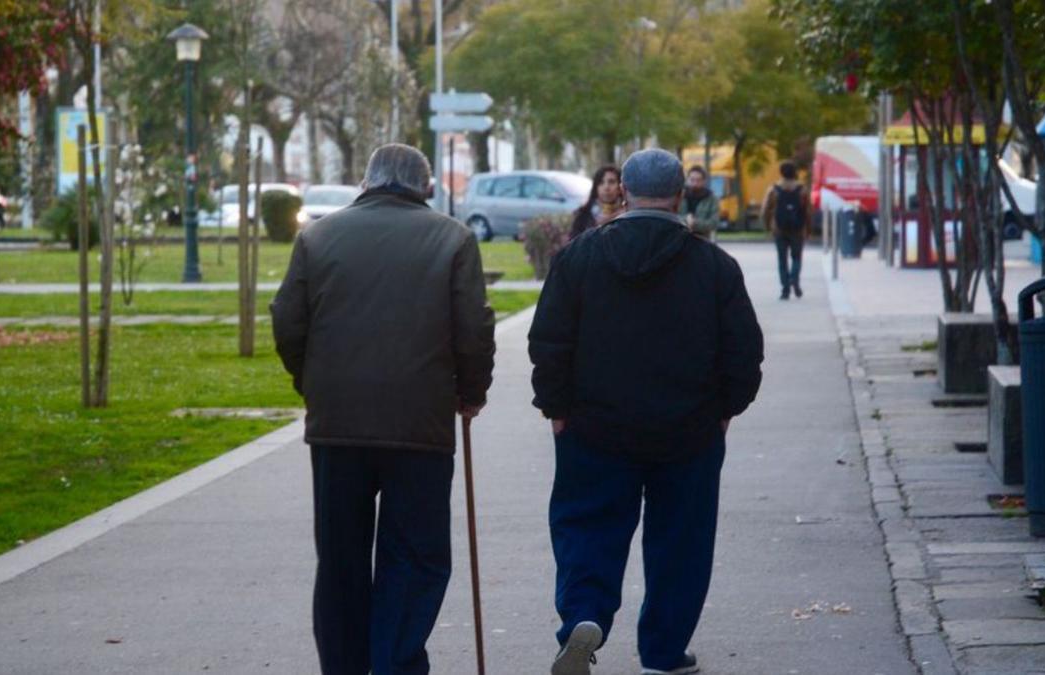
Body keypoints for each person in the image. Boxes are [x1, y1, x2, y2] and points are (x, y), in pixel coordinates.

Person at [529, 149, 764, 675]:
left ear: (624, 191)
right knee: (681, 541)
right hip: (689, 431)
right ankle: (662, 651)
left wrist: (556, 407)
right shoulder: (713, 266)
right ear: (680, 195)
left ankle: (583, 618)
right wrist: (727, 408)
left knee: (586, 528)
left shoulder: (579, 257)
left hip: (593, 427)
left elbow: (549, 340)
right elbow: (743, 350)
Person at [271, 143, 497, 675]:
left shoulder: (318, 236)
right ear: (424, 186)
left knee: (341, 558)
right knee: (414, 555)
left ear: (366, 181)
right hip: (421, 425)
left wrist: (313, 382)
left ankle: (345, 667)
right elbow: (473, 328)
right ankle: (395, 663)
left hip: (337, 424)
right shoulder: (453, 238)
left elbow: (287, 320)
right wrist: (472, 390)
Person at [761, 160, 811, 300]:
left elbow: (765, 210)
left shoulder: (773, 189)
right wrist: (808, 229)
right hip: (798, 229)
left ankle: (785, 290)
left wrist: (767, 226)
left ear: (781, 172)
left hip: (779, 229)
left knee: (782, 260)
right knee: (796, 257)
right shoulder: (802, 189)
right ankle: (794, 279)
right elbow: (808, 211)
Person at [570, 164, 623, 239]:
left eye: (611, 182)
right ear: (596, 188)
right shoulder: (583, 215)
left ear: (620, 187)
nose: (606, 187)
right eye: (601, 183)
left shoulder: (627, 215)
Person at [678, 165, 720, 238]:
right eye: (692, 180)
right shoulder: (679, 196)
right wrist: (685, 220)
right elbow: (672, 216)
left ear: (704, 181)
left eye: (698, 180)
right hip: (681, 239)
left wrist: (694, 223)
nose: (695, 183)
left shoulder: (711, 198)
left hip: (703, 239)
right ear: (687, 179)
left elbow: (714, 223)